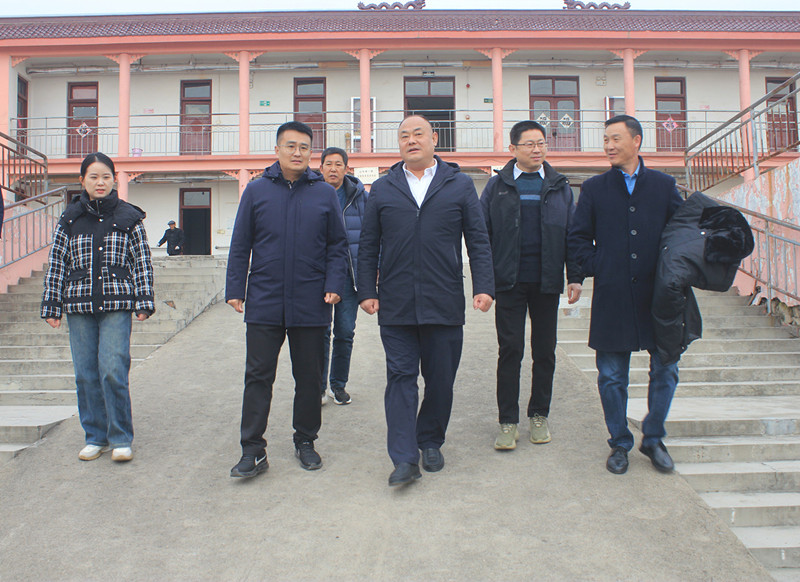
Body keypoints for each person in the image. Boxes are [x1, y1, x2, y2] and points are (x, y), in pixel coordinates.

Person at [358, 115, 495, 487]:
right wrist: (367, 290)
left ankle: (430, 440)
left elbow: (478, 240)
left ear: (435, 139)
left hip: (443, 299)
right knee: (401, 378)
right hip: (397, 302)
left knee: (440, 379)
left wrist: (484, 286)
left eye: (418, 134)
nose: (411, 140)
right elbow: (368, 245)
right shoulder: (383, 188)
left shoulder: (459, 184)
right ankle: (404, 458)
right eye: (404, 136)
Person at [226, 121, 348, 478]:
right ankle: (252, 449)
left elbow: (337, 245)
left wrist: (334, 283)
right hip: (265, 299)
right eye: (290, 146)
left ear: (311, 153)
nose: (297, 153)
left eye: (304, 147)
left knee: (309, 377)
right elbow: (241, 243)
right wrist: (235, 289)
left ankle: (305, 440)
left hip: (311, 300)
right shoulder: (256, 190)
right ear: (277, 150)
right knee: (258, 376)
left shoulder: (324, 193)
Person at [568, 114, 683, 475]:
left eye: (615, 139)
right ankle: (619, 442)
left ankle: (653, 438)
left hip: (659, 296)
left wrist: (675, 271)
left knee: (666, 370)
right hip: (613, 294)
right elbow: (577, 236)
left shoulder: (664, 185)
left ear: (636, 141)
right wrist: (598, 265)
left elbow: (682, 232)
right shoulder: (594, 188)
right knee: (611, 376)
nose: (609, 146)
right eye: (605, 139)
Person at [41, 152, 155, 463]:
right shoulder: (70, 218)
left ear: (114, 179)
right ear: (82, 181)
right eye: (93, 177)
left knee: (113, 369)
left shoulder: (129, 217)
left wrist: (144, 301)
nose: (100, 182)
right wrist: (52, 304)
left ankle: (120, 438)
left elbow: (141, 262)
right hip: (79, 305)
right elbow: (57, 262)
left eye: (106, 176)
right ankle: (95, 436)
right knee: (86, 374)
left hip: (117, 303)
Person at [480, 120, 582, 451]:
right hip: (508, 282)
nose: (537, 149)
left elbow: (572, 234)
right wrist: (485, 282)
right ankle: (507, 421)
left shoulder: (558, 186)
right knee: (510, 350)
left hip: (546, 281)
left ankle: (539, 414)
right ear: (513, 149)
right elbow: (482, 236)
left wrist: (575, 275)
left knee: (544, 351)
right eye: (529, 144)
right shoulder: (497, 186)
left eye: (541, 143)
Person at [318, 147, 368, 406]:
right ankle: (318, 387)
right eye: (328, 164)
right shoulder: (312, 193)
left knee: (345, 332)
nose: (333, 169)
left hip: (349, 276)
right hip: (318, 276)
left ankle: (338, 385)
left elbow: (373, 236)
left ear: (347, 169)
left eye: (338, 164)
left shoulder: (359, 197)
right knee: (320, 333)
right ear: (321, 168)